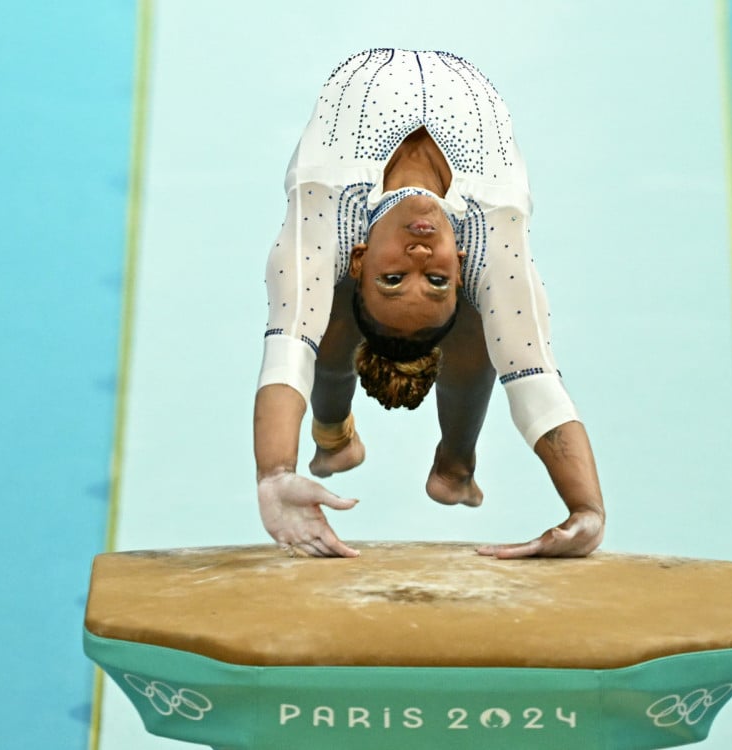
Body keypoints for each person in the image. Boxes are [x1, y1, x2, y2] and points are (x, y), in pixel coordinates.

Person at [254, 49, 604, 558]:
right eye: (437, 277)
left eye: (394, 277)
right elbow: (534, 377)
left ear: (361, 257)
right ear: (458, 262)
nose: (419, 255)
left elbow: (289, 346)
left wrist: (273, 473)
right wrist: (588, 507)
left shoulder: (323, 201)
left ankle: (343, 439)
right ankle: (453, 467)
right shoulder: (494, 230)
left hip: (355, 233)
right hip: (447, 228)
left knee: (321, 308)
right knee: (484, 316)